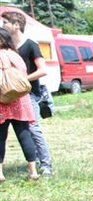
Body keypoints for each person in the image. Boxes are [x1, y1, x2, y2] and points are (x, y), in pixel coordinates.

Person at [2, 11, 53, 176]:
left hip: (28, 93)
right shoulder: (10, 48)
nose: (3, 26)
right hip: (10, 95)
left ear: (16, 25)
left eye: (5, 23)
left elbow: (43, 70)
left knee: (32, 129)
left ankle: (46, 165)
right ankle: (34, 163)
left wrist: (20, 80)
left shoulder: (31, 45)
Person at [0, 27, 38, 182]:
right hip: (20, 100)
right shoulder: (16, 56)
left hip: (2, 100)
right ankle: (33, 171)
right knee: (25, 135)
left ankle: (0, 173)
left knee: (0, 137)